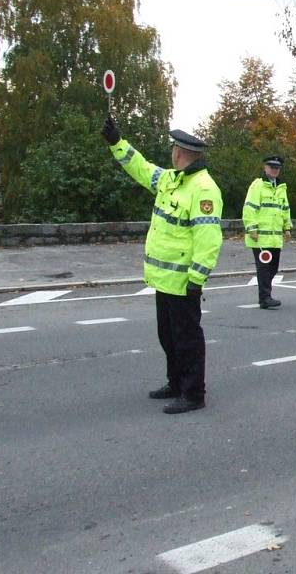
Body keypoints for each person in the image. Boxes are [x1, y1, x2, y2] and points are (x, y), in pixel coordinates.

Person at [101, 115, 223, 414]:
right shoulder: (171, 180)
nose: (171, 153)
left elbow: (209, 238)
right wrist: (117, 143)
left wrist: (197, 279)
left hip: (183, 282)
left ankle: (194, 394)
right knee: (167, 336)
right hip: (164, 279)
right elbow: (140, 168)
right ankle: (176, 382)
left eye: (172, 149)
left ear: (179, 152)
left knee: (187, 339)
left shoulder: (204, 189)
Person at [242, 155, 293, 309]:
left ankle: (265, 295)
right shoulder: (257, 186)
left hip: (275, 238)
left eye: (277, 168)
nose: (274, 170)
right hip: (260, 237)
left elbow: (285, 209)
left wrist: (287, 228)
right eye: (271, 167)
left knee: (273, 268)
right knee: (264, 268)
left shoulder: (281, 188)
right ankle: (265, 297)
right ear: (265, 168)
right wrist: (251, 228)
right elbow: (249, 207)